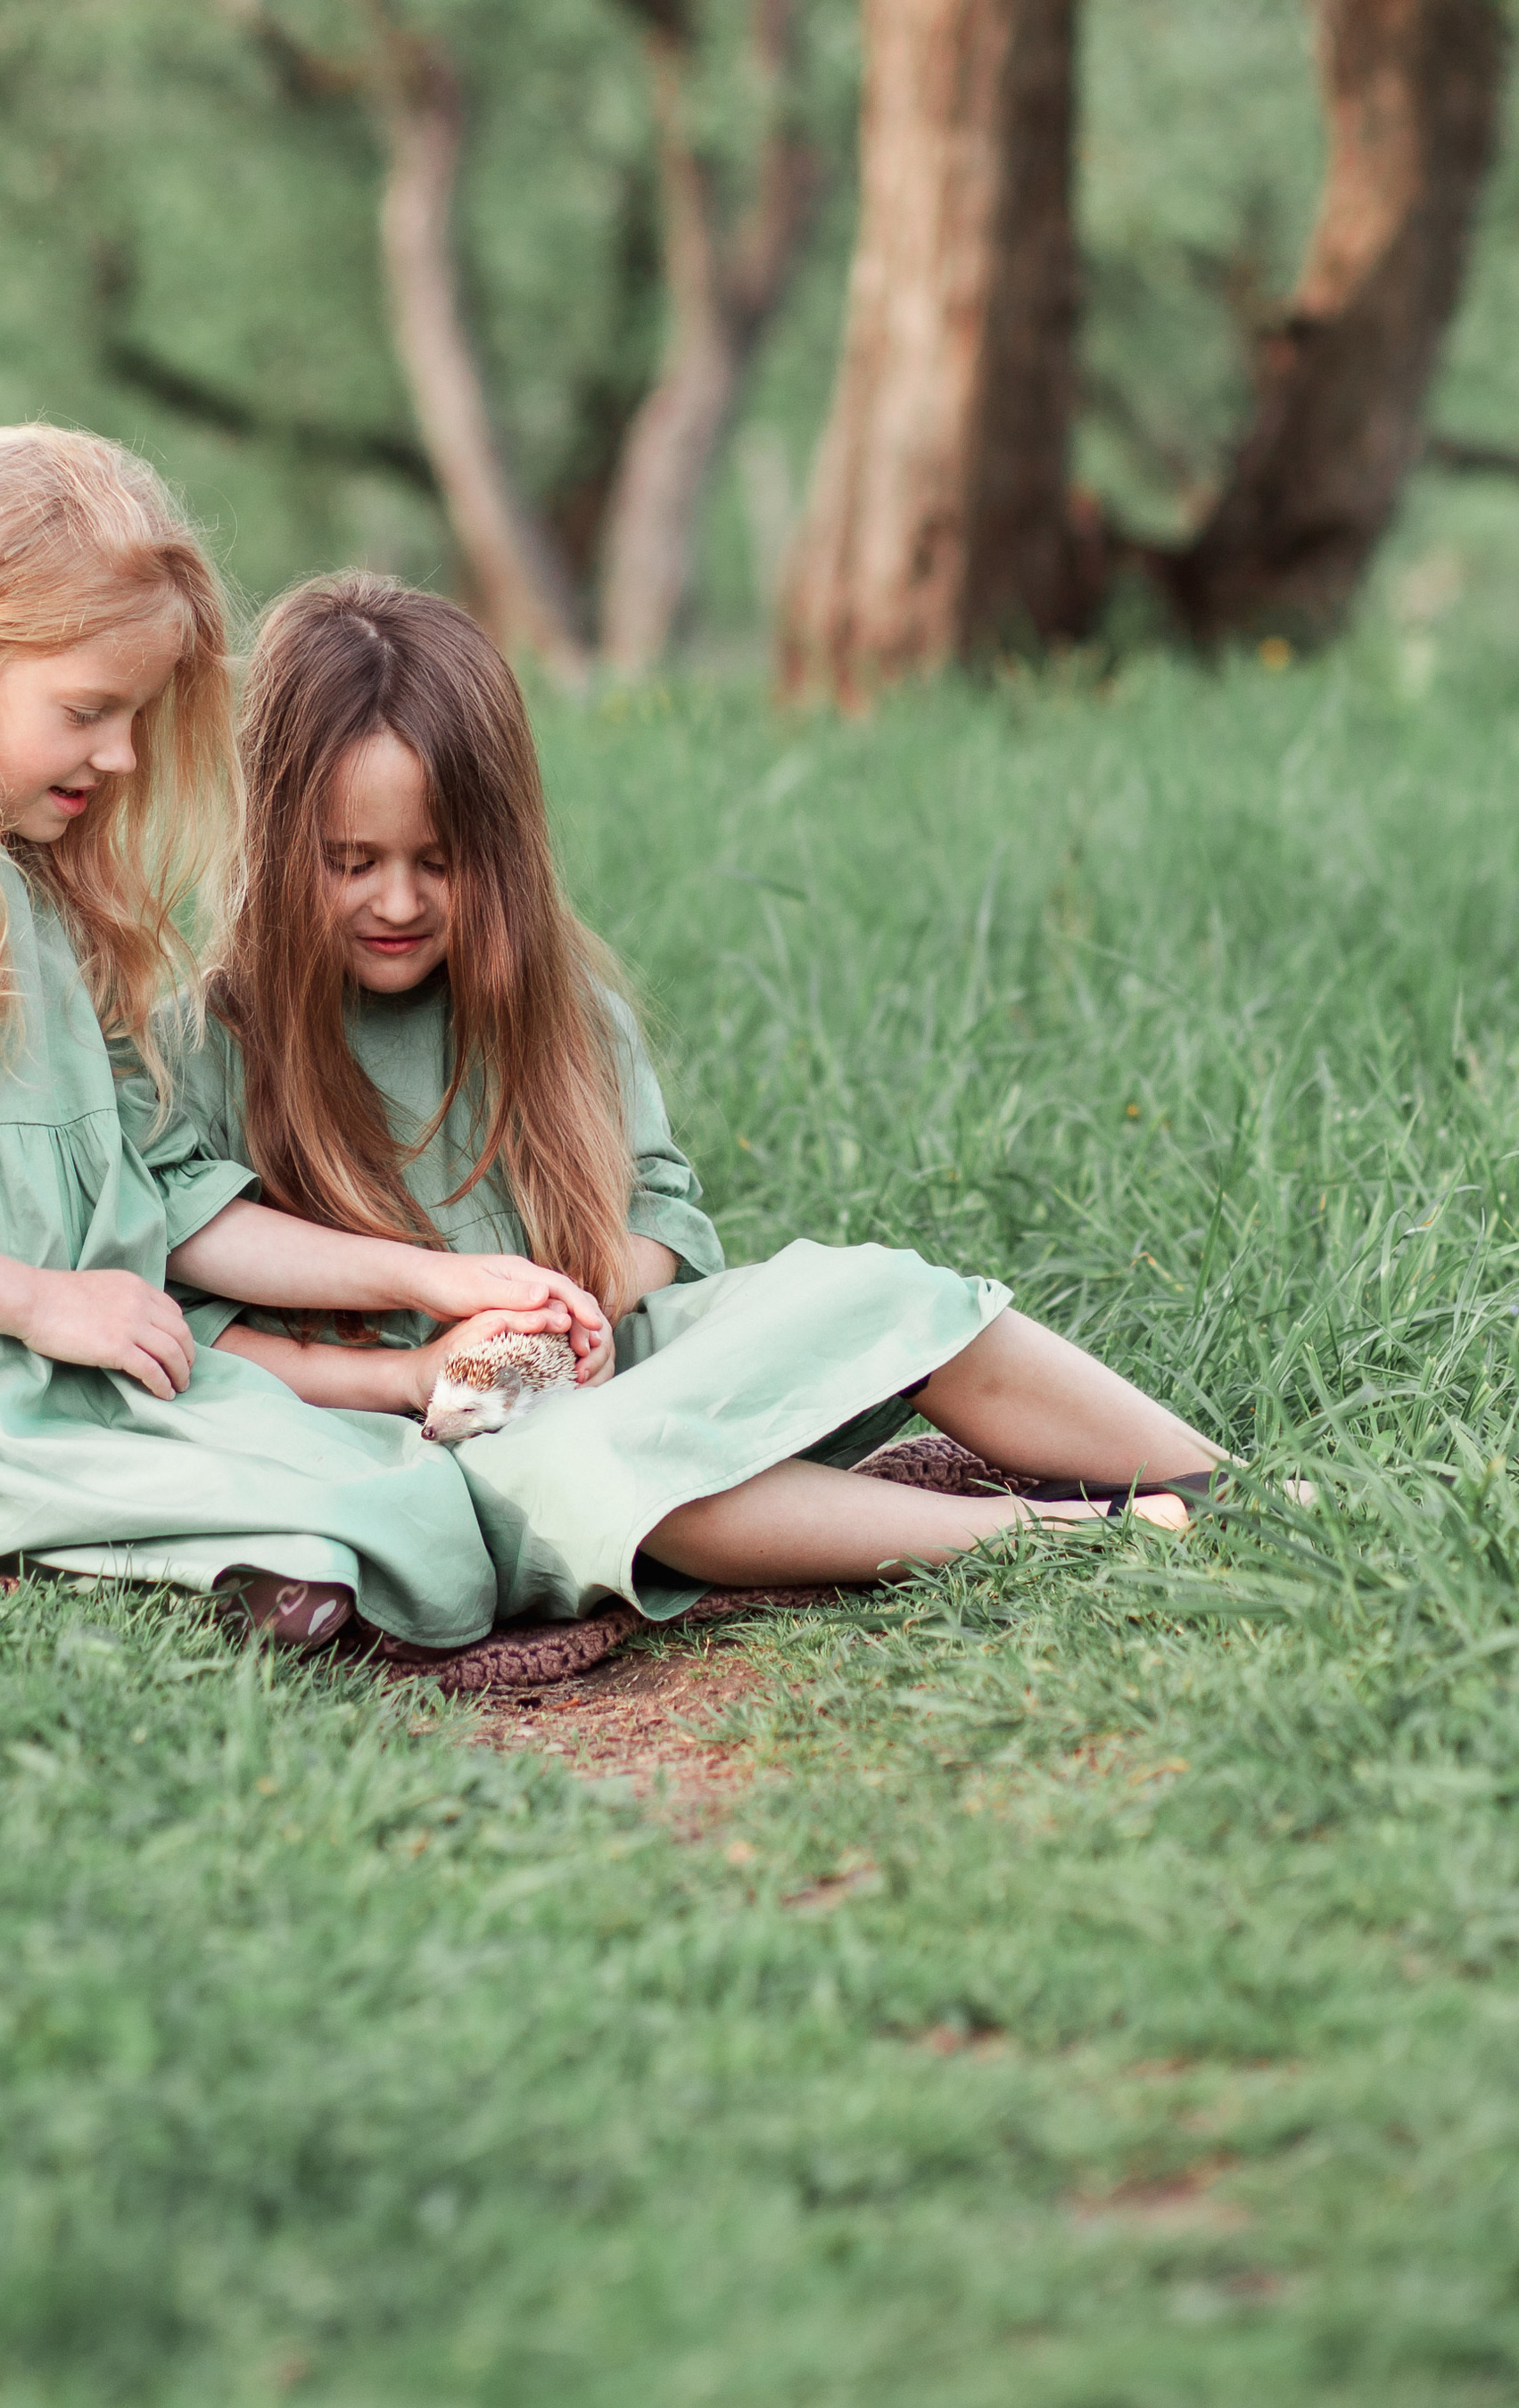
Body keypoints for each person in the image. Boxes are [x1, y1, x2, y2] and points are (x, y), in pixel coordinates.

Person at [159, 573, 1230, 1629]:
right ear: (270, 839)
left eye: (437, 862)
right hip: (442, 1445)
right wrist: (410, 1374)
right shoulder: (201, 1047)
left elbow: (660, 1206)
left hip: (622, 1359)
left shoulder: (552, 1009)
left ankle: (1225, 1483)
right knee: (610, 1472)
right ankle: (1067, 1533)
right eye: (351, 863)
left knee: (874, 1290)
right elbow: (196, 1334)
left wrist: (582, 1307)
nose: (397, 900)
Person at [0, 434, 604, 1651]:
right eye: (87, 711)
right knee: (372, 1529)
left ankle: (196, 1556)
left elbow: (171, 1197)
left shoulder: (54, 902)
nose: (120, 755)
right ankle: (7, 1538)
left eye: (135, 717)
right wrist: (36, 1304)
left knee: (418, 1502)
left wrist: (429, 1280)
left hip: (87, 1378)